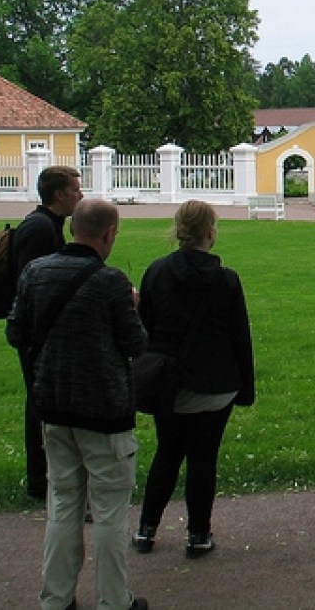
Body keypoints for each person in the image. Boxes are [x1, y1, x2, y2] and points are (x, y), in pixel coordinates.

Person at [6, 199, 149, 610]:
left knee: (63, 504)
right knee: (108, 511)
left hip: (53, 404)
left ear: (72, 229)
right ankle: (113, 600)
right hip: (104, 410)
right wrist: (133, 307)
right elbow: (136, 344)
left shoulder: (36, 272)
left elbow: (16, 331)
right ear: (109, 234)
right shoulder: (111, 282)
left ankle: (56, 597)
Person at [133, 200, 255, 559]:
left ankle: (146, 529)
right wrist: (245, 387)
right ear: (210, 232)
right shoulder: (226, 280)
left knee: (167, 454)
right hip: (215, 384)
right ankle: (198, 534)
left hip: (169, 383)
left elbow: (147, 330)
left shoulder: (156, 272)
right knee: (203, 459)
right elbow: (239, 336)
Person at [12, 165, 84, 500]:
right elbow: (37, 283)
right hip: (38, 333)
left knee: (41, 402)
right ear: (59, 195)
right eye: (75, 190)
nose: (80, 195)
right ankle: (40, 479)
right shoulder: (41, 229)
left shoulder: (45, 224)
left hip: (37, 330)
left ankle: (45, 475)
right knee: (40, 404)